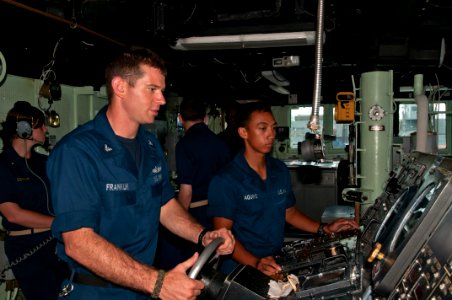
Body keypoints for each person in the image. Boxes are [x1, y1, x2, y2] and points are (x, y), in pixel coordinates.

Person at [46, 47, 235, 299]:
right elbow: (78, 243)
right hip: (96, 291)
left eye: (162, 91)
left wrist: (202, 235)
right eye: (152, 89)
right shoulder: (77, 151)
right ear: (120, 87)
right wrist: (158, 283)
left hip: (142, 288)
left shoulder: (150, 146)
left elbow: (164, 205)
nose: (162, 100)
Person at [207, 101, 359, 278]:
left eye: (273, 128)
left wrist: (324, 229)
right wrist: (256, 263)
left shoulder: (279, 170)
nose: (271, 134)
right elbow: (223, 238)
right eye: (262, 128)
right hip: (239, 269)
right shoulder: (225, 180)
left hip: (274, 262)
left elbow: (289, 212)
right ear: (243, 132)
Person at [0, 101, 69, 300]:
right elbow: (13, 213)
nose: (46, 129)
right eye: (41, 125)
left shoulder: (43, 162)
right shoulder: (4, 165)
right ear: (25, 129)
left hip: (53, 242)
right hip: (26, 245)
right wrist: (57, 223)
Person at [156, 97, 231, 269]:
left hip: (197, 213)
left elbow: (186, 191)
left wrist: (179, 221)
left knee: (193, 264)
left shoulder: (185, 145)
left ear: (180, 119)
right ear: (205, 118)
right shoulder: (221, 143)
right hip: (221, 212)